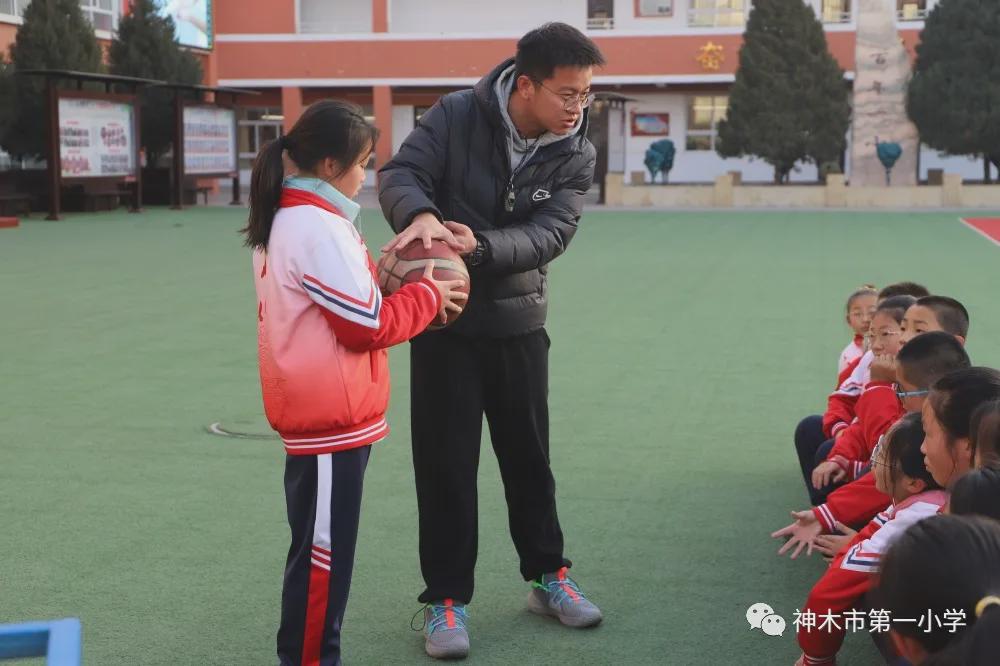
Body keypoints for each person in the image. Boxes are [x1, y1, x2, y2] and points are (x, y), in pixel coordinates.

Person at [378, 22, 606, 659]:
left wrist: (477, 246)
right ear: (526, 85)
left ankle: (548, 577)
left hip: (519, 325)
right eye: (567, 93)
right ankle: (445, 602)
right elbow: (400, 174)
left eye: (586, 96)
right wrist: (420, 215)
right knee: (446, 466)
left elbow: (552, 233)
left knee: (529, 459)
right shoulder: (455, 114)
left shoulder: (576, 151)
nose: (577, 107)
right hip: (443, 324)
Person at [243, 100, 466, 666]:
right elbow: (368, 326)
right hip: (328, 422)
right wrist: (427, 294)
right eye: (364, 163)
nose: (367, 176)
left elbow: (352, 310)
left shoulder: (292, 216)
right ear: (328, 164)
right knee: (322, 562)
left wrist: (389, 286)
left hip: (325, 413)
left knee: (321, 555)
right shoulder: (316, 226)